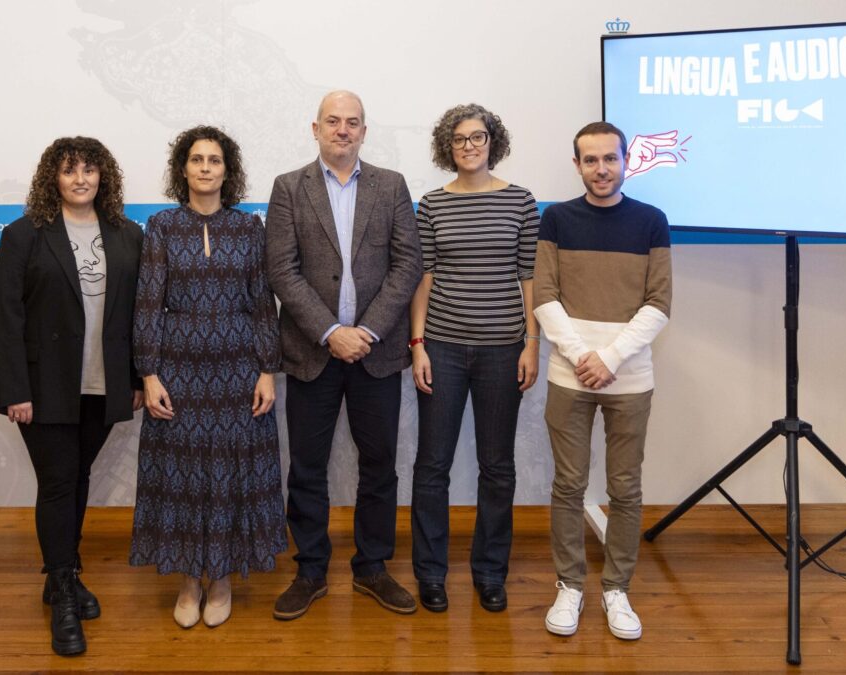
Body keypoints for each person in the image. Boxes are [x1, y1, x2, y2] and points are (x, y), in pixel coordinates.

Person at [265, 90, 422, 620]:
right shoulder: (289, 188)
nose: (343, 130)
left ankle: (373, 568)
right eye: (333, 121)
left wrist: (368, 331)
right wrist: (331, 330)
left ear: (363, 131)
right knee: (307, 468)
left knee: (379, 466)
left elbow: (408, 266)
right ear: (315, 128)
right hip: (313, 351)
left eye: (352, 122)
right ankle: (309, 571)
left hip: (376, 354)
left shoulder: (392, 186)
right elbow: (281, 271)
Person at [0, 136, 144, 656]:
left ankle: (64, 576)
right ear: (52, 178)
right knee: (57, 483)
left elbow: (139, 316)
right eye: (69, 170)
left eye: (90, 170)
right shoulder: (23, 235)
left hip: (104, 382)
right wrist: (16, 390)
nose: (81, 179)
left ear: (104, 177)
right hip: (43, 386)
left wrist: (138, 379)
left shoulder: (128, 236)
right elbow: (7, 319)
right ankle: (64, 597)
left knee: (78, 477)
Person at [129, 125, 286, 629]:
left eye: (214, 160)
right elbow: (148, 304)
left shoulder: (249, 228)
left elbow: (263, 303)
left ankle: (220, 579)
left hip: (240, 372)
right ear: (183, 169)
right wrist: (149, 374)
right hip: (178, 373)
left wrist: (268, 369)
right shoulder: (161, 226)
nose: (204, 167)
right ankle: (188, 580)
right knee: (186, 477)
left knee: (229, 476)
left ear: (226, 170)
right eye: (196, 159)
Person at [533, 121, 672, 640]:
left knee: (625, 488)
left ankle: (617, 590)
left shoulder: (652, 222)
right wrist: (582, 356)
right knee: (568, 486)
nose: (600, 169)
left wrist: (610, 357)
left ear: (625, 161)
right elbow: (544, 297)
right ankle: (570, 586)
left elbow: (659, 304)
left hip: (630, 378)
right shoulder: (558, 220)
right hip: (570, 375)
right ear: (577, 165)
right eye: (589, 160)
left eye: (609, 159)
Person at [408, 104, 540, 614]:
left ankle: (490, 573)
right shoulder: (432, 205)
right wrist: (417, 345)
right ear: (448, 146)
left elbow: (529, 277)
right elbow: (425, 279)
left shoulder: (520, 202)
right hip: (441, 347)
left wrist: (531, 342)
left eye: (477, 137)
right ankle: (431, 574)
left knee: (497, 466)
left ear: (492, 141)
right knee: (432, 465)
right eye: (459, 139)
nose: (468, 146)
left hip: (503, 349)